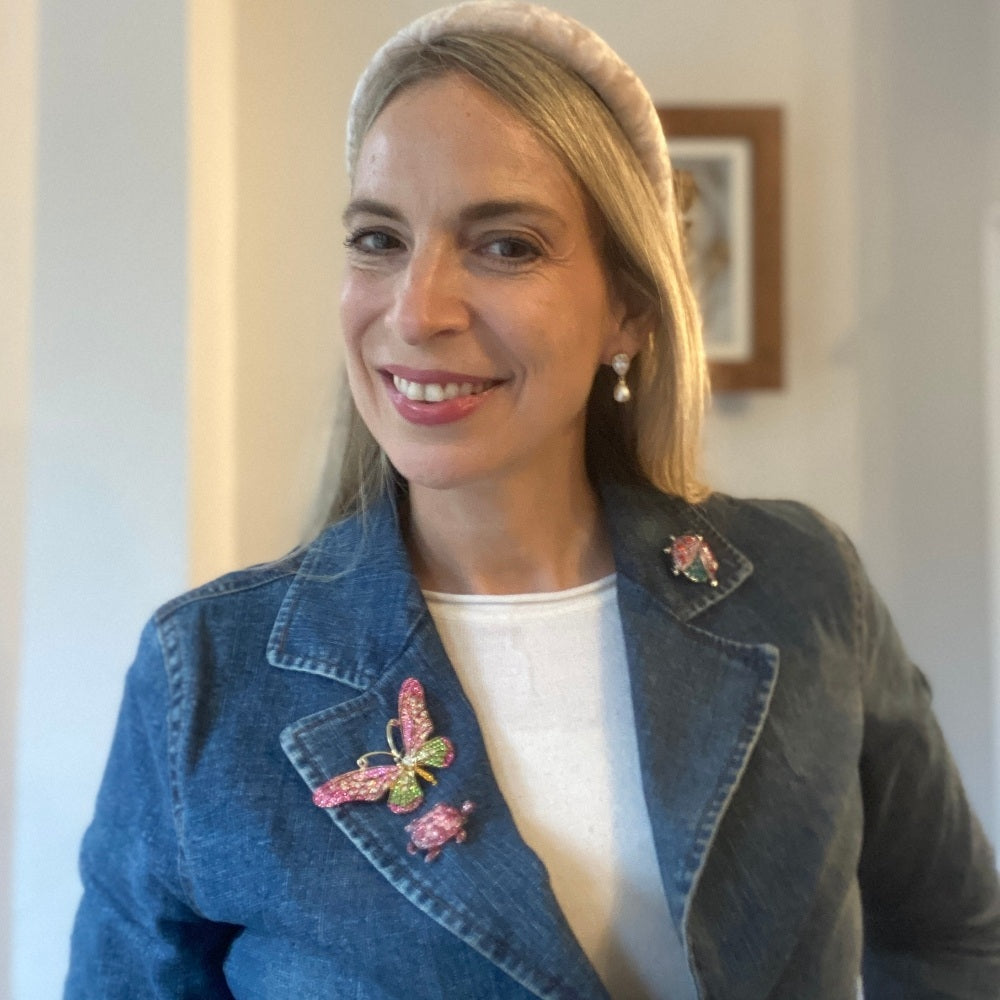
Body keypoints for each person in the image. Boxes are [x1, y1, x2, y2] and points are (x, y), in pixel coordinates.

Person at [65, 3, 1000, 998]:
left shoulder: (802, 589)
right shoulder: (204, 675)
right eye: (378, 239)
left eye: (504, 245)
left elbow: (954, 937)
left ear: (628, 309)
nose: (417, 310)